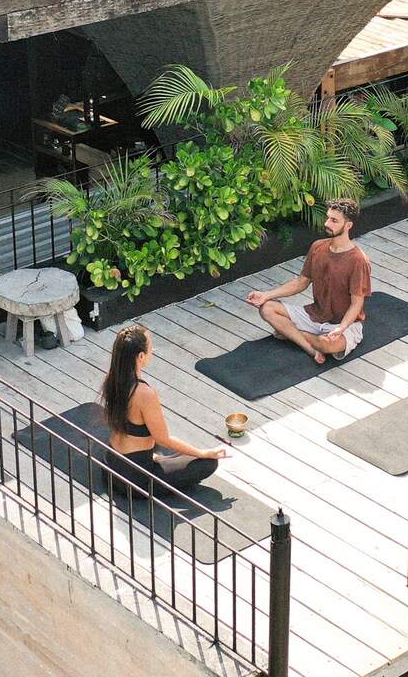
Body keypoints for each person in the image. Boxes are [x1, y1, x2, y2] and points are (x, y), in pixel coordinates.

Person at [101, 324, 228, 497]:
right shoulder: (144, 393)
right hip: (136, 480)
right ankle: (159, 462)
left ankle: (156, 460)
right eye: (151, 347)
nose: (152, 351)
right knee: (208, 463)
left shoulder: (112, 377)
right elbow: (164, 439)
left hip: (111, 463)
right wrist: (203, 453)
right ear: (140, 356)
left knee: (165, 450)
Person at [246, 198, 371, 364]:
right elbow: (300, 282)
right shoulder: (318, 247)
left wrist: (341, 329)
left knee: (329, 346)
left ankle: (291, 334)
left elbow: (356, 305)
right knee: (267, 308)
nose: (327, 223)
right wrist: (266, 295)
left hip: (344, 324)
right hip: (314, 315)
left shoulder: (358, 260)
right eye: (327, 218)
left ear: (348, 226)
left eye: (334, 220)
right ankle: (310, 348)